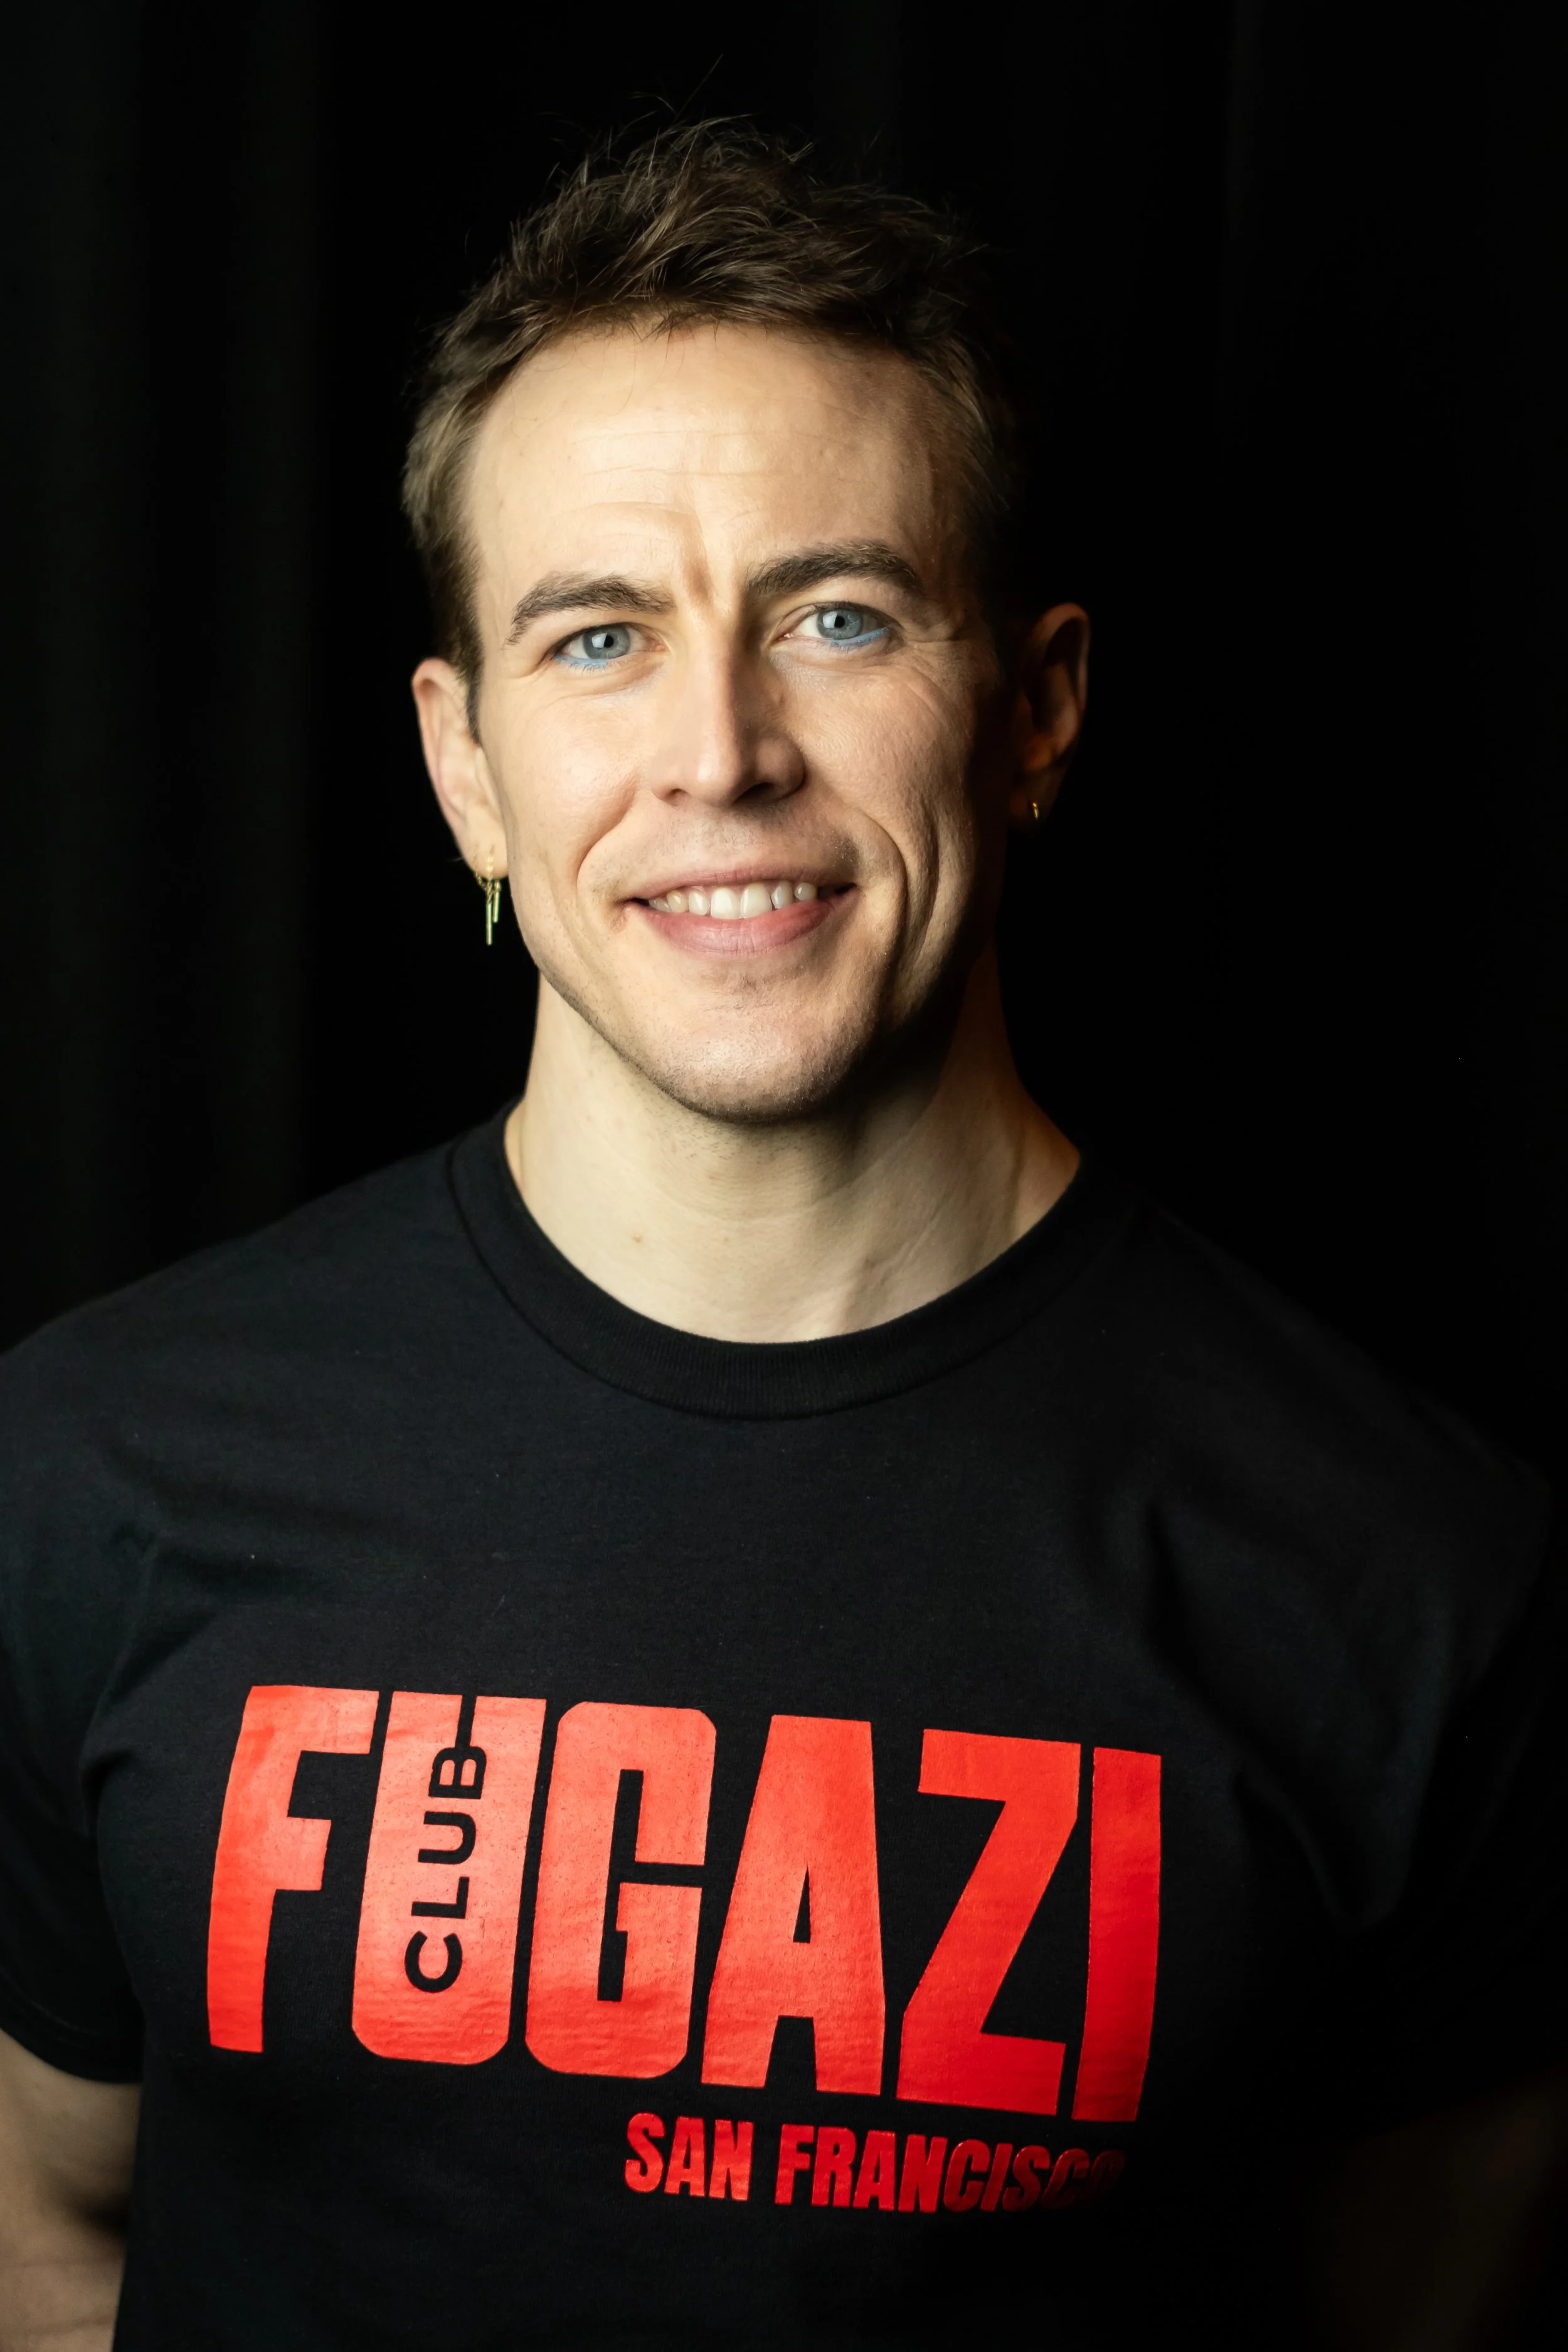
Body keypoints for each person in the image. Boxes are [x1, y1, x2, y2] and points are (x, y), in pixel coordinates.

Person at [0, 123, 1563, 2352]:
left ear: (1035, 706)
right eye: (597, 637)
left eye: (837, 616)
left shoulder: (1411, 1575)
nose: (720, 753)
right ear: (463, 765)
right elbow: (52, 2239)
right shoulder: (88, 1468)